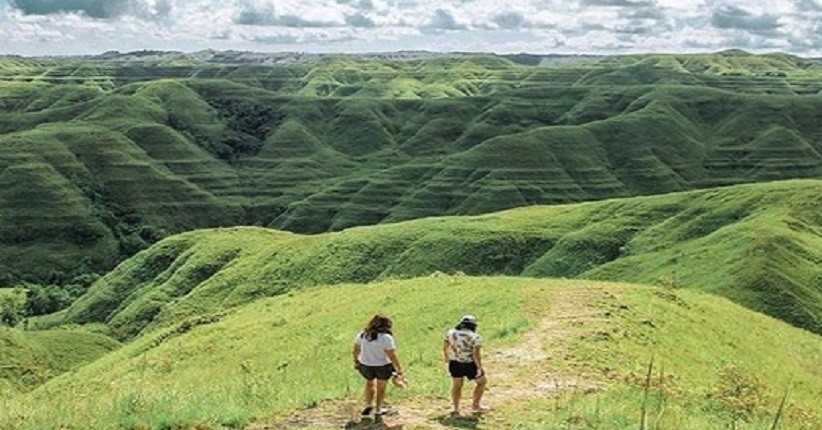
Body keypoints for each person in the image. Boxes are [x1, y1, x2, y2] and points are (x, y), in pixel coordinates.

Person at [353, 314, 405, 417]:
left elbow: (355, 350)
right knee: (381, 388)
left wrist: (356, 361)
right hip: (382, 365)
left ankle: (368, 405)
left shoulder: (362, 335)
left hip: (366, 364)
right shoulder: (386, 338)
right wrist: (399, 369)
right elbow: (392, 355)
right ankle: (378, 409)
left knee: (369, 383)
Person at [443, 314, 487, 416]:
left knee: (457, 385)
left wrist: (446, 357)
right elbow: (476, 354)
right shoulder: (475, 337)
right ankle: (475, 405)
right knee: (482, 382)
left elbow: (445, 347)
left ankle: (456, 408)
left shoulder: (450, 333)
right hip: (470, 363)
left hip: (455, 363)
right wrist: (480, 368)